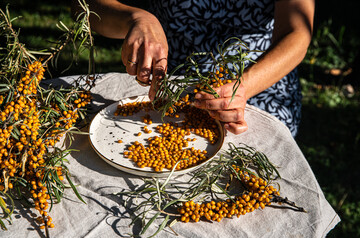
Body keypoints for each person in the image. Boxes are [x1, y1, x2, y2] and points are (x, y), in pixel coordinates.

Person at [72, 0, 315, 137]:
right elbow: (83, 6)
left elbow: (297, 33)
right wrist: (135, 18)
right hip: (168, 78)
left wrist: (243, 88)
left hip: (259, 79)